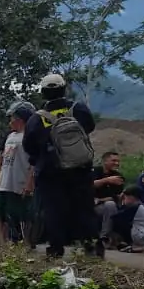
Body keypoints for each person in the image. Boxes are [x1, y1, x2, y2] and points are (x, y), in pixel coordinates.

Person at [22, 72, 98, 261]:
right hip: (80, 168)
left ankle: (56, 249)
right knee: (85, 208)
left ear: (43, 92)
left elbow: (28, 145)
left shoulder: (37, 118)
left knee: (54, 210)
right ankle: (91, 246)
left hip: (51, 172)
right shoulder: (78, 109)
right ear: (64, 89)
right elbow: (89, 127)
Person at [0, 103, 35, 242]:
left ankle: (25, 243)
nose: (10, 122)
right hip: (5, 182)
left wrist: (29, 183)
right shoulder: (9, 136)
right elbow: (1, 155)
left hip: (19, 183)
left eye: (12, 118)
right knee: (1, 214)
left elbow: (33, 163)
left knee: (21, 214)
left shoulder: (29, 137)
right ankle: (3, 242)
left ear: (20, 120)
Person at [92, 151, 126, 253]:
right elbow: (87, 186)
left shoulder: (118, 176)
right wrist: (106, 180)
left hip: (109, 207)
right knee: (110, 205)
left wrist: (102, 199)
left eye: (118, 161)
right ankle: (104, 238)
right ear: (105, 161)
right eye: (114, 160)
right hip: (92, 207)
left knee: (113, 206)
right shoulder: (95, 171)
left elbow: (116, 197)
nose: (117, 163)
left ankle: (108, 238)